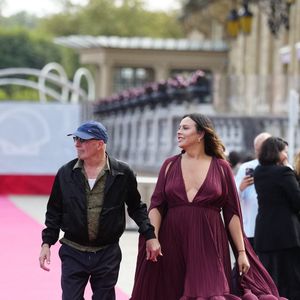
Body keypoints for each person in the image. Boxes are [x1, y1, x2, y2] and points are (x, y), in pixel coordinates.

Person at [130, 114, 285, 300]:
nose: (179, 132)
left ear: (201, 134)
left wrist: (241, 252)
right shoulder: (169, 165)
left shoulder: (221, 167)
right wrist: (152, 238)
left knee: (210, 293)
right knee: (172, 292)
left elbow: (232, 213)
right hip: (171, 241)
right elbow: (156, 206)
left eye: (185, 128)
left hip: (209, 242)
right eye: (179, 127)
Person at [39, 120, 156, 300]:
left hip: (107, 253)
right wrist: (46, 243)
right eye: (76, 139)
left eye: (82, 140)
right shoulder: (66, 173)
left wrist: (150, 235)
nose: (77, 144)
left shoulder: (122, 173)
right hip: (73, 250)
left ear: (100, 144)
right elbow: (54, 211)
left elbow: (136, 207)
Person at [254, 137, 300, 300]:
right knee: (291, 280)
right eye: (284, 151)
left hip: (265, 233)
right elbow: (297, 201)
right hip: (287, 234)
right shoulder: (284, 172)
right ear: (277, 152)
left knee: (270, 279)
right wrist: (288, 168)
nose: (286, 155)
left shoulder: (258, 172)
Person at [234, 132, 271, 248]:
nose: (261, 153)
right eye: (258, 149)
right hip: (250, 227)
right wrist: (241, 187)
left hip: (271, 228)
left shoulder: (280, 168)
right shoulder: (246, 167)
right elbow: (233, 196)